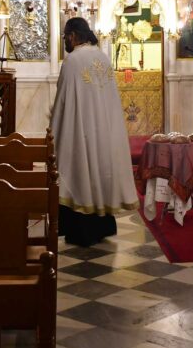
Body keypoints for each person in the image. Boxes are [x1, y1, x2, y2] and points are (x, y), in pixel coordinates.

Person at [50, 17, 137, 246]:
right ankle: (103, 225)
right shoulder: (103, 57)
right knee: (100, 171)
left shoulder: (72, 60)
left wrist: (54, 125)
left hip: (80, 129)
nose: (65, 42)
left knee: (80, 171)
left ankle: (82, 231)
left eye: (65, 37)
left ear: (72, 36)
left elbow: (63, 99)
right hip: (104, 129)